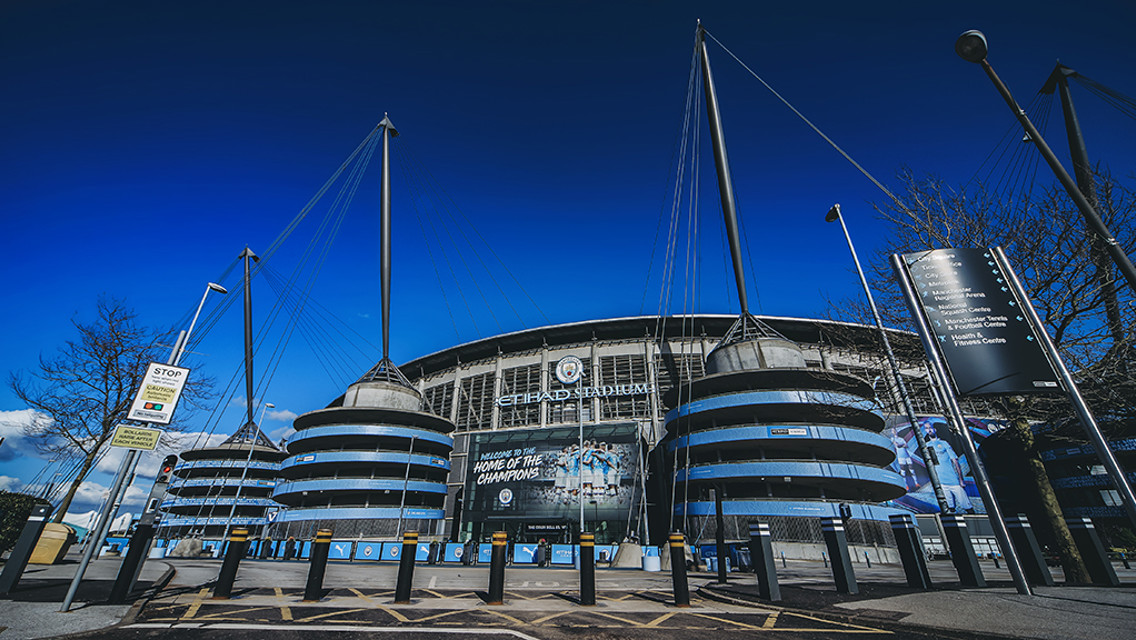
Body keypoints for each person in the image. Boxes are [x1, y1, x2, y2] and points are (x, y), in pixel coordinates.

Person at [924, 424, 975, 513]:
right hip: (942, 483)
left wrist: (960, 479)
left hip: (953, 481)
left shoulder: (944, 443)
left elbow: (955, 461)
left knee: (967, 507)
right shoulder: (927, 445)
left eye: (930, 428)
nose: (929, 430)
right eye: (926, 428)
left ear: (934, 429)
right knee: (950, 509)